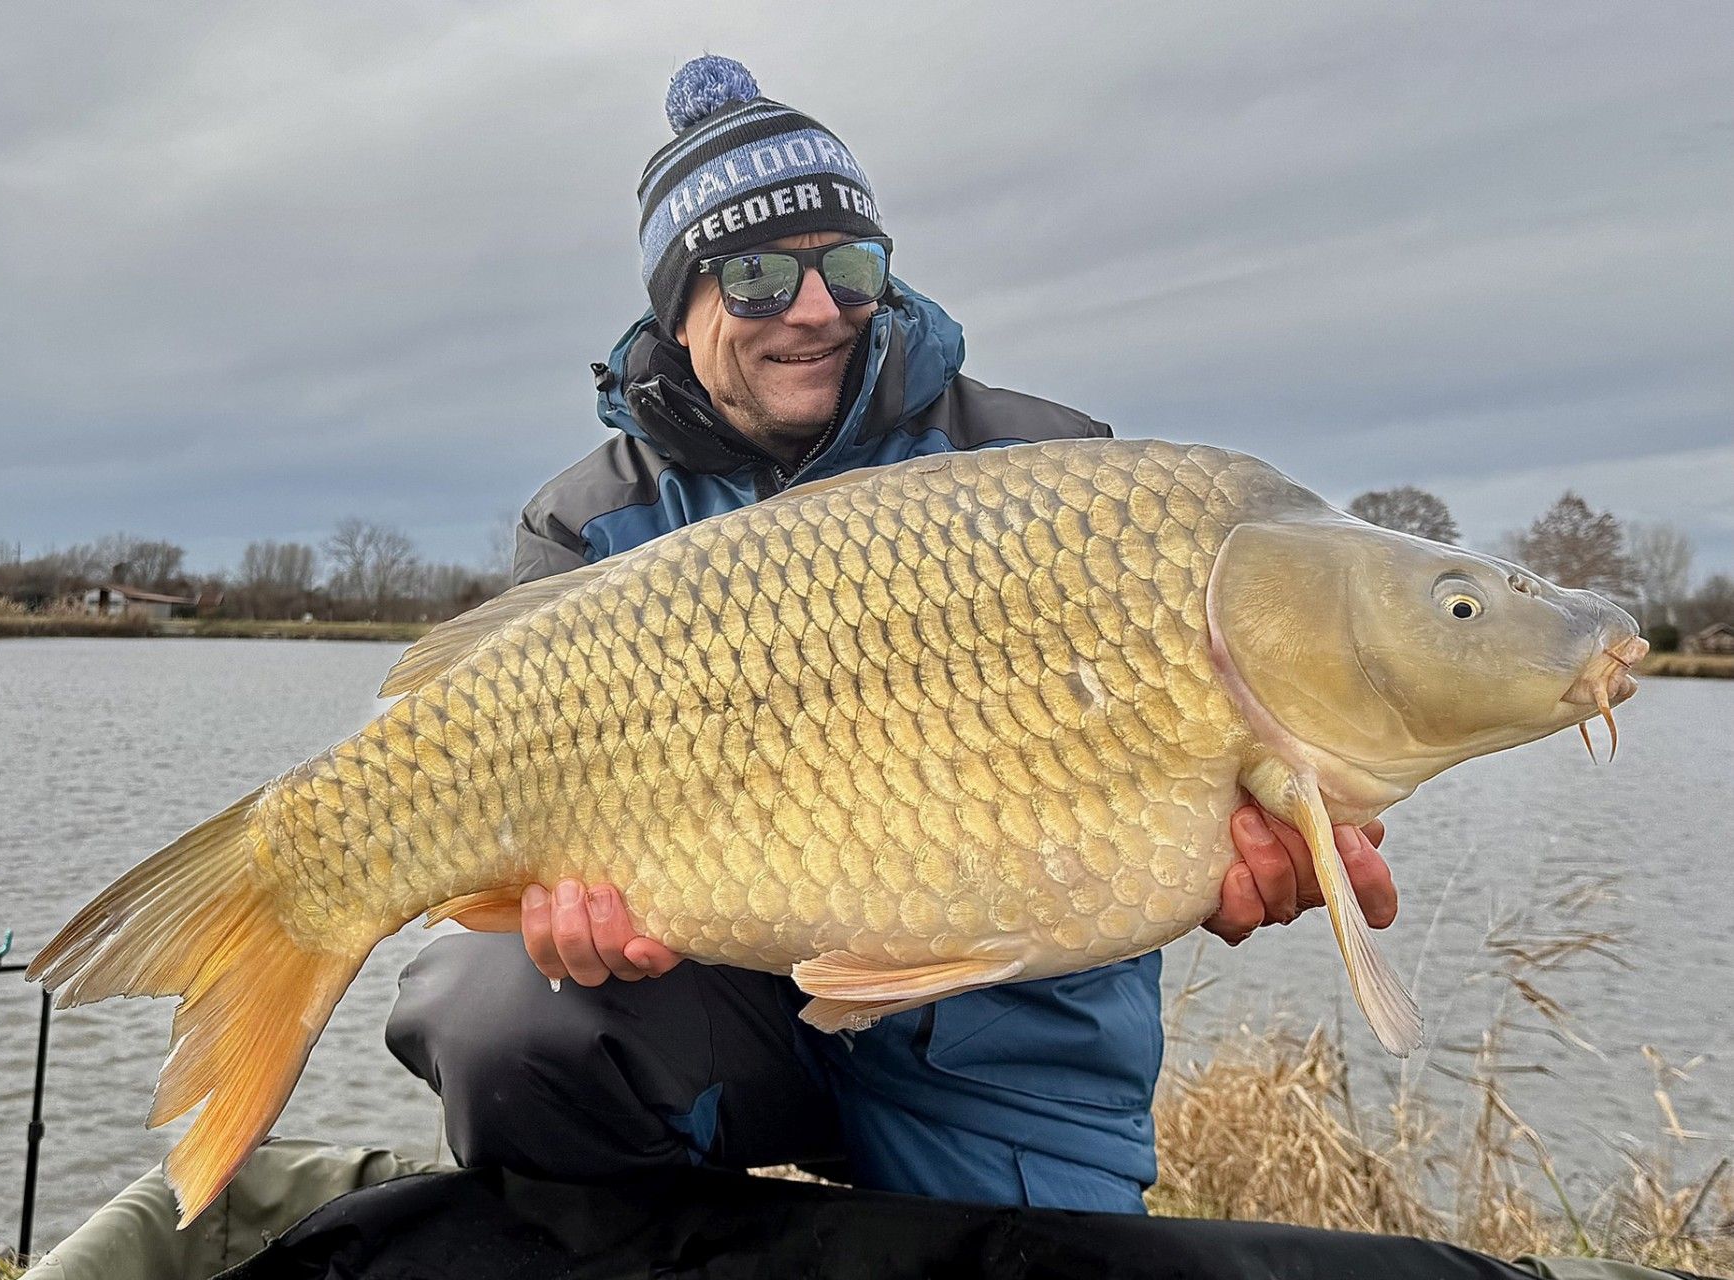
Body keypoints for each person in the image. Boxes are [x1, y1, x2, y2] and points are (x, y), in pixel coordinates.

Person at [386, 57, 1396, 1214]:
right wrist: (563, 922)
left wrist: (1236, 862)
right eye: (758, 276)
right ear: (679, 304)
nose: (815, 309)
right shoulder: (586, 525)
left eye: (849, 266)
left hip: (1005, 1052)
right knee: (501, 1020)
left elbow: (1185, 791)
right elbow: (536, 849)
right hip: (724, 1004)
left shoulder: (1060, 472)